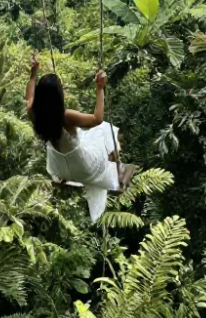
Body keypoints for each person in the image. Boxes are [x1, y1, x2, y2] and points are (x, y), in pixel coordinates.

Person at [26, 53, 136, 222]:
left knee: (84, 139)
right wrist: (99, 89)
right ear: (58, 97)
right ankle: (116, 170)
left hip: (59, 167)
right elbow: (97, 119)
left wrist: (33, 75)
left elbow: (29, 99)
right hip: (83, 166)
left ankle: (70, 177)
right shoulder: (66, 116)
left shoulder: (35, 113)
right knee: (105, 130)